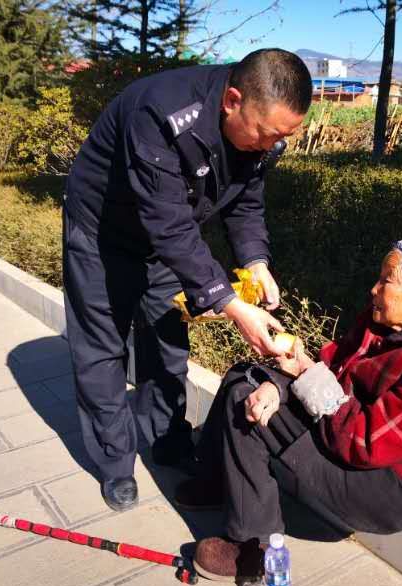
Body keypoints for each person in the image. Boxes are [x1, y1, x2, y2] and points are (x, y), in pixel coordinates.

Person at [62, 49, 312, 512]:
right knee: (103, 348)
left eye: (284, 137)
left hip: (164, 240)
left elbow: (245, 202)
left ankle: (167, 440)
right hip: (102, 233)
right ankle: (115, 462)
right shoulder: (160, 112)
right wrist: (232, 306)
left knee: (166, 342)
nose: (271, 145)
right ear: (232, 101)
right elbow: (169, 223)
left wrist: (256, 262)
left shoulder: (258, 136)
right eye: (267, 133)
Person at [173, 226, 402, 582]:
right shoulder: (389, 319)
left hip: (384, 485)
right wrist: (280, 384)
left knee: (246, 404)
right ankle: (217, 483)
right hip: (348, 425)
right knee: (244, 376)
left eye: (387, 280)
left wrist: (301, 377)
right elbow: (335, 366)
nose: (374, 289)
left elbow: (364, 442)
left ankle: (252, 550)